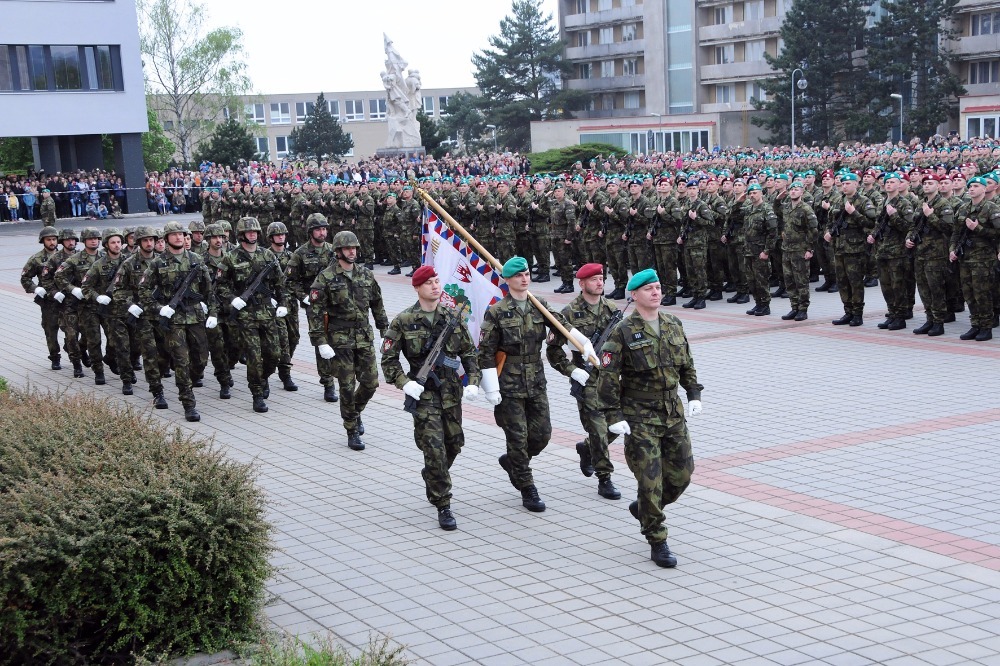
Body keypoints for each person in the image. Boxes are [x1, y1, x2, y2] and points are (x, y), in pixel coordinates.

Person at [596, 268, 703, 569]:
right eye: (648, 289)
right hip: (640, 417)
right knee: (650, 480)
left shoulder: (673, 323)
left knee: (682, 475)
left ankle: (645, 508)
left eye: (657, 287)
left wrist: (693, 394)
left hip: (673, 414)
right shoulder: (623, 331)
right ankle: (657, 538)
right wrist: (613, 415)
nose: (656, 292)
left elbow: (687, 363)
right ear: (634, 295)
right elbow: (607, 377)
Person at [478, 256, 595, 513]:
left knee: (542, 435)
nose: (524, 278)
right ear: (508, 280)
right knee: (517, 437)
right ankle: (527, 486)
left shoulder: (538, 305)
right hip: (508, 382)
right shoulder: (497, 311)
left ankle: (514, 462)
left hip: (536, 380)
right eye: (519, 275)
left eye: (527, 273)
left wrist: (583, 343)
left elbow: (561, 326)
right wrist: (490, 386)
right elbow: (485, 351)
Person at [380, 266, 482, 531]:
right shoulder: (403, 320)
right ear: (417, 287)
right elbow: (389, 361)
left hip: (451, 394)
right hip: (423, 394)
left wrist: (473, 381)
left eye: (437, 282)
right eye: (429, 283)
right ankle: (443, 503)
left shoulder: (452, 317)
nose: (435, 287)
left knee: (454, 444)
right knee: (434, 450)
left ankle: (432, 475)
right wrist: (405, 384)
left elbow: (470, 353)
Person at [545, 263, 622, 500]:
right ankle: (605, 478)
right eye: (594, 279)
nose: (600, 283)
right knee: (598, 429)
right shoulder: (568, 314)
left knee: (618, 425)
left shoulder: (612, 309)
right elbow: (553, 351)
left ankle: (587, 448)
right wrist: (571, 370)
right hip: (587, 379)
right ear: (582, 284)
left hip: (610, 379)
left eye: (601, 278)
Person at [307, 230, 389, 451]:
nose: (352, 251)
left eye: (354, 248)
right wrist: (320, 341)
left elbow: (377, 304)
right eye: (347, 248)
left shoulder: (365, 275)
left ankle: (355, 411)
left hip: (363, 337)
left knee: (371, 382)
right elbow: (315, 312)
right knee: (346, 385)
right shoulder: (326, 277)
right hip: (339, 340)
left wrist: (385, 331)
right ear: (338, 251)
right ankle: (351, 429)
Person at [139, 221, 216, 422]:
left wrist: (213, 313)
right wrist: (158, 308)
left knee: (200, 359)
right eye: (174, 235)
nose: (179, 237)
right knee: (181, 360)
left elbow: (209, 290)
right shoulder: (158, 263)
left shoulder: (197, 259)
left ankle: (187, 382)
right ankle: (188, 403)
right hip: (173, 320)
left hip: (195, 316)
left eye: (181, 234)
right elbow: (144, 291)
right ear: (166, 239)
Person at [216, 217, 288, 412]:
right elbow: (219, 285)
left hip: (267, 313)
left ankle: (263, 378)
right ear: (241, 235)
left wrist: (282, 303)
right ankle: (256, 393)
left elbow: (280, 284)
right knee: (254, 357)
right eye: (248, 232)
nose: (252, 234)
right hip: (245, 315)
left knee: (274, 354)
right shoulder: (230, 257)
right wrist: (232, 298)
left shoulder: (267, 256)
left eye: (255, 231)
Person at [285, 213, 338, 402]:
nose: (322, 232)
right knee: (322, 341)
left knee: (338, 341)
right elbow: (290, 281)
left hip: (335, 304)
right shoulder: (299, 254)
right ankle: (328, 383)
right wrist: (304, 297)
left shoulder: (333, 251)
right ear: (310, 232)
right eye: (318, 229)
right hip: (314, 306)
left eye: (324, 229)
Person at [824, 173, 877, 326]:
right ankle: (848, 311)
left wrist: (854, 213)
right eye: (843, 183)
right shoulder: (837, 200)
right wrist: (828, 233)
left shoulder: (863, 201)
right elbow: (830, 220)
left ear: (856, 184)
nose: (845, 186)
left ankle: (858, 314)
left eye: (848, 183)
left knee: (855, 282)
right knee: (842, 282)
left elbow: (871, 223)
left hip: (855, 249)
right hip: (839, 248)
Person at [906, 175, 954, 336]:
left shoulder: (943, 204)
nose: (926, 186)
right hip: (920, 253)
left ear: (938, 186)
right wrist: (908, 238)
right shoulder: (922, 204)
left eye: (930, 183)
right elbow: (913, 225)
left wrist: (931, 215)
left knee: (936, 289)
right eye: (925, 183)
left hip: (936, 254)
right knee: (924, 288)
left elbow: (948, 228)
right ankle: (929, 319)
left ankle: (939, 322)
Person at [53, 227, 103, 379]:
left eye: (96, 238)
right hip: (73, 304)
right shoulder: (71, 259)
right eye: (90, 238)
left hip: (96, 303)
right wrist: (70, 289)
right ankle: (77, 364)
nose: (94, 240)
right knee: (72, 335)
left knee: (90, 336)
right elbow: (57, 276)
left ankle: (82, 350)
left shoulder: (104, 257)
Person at [21, 226, 62, 369]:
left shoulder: (67, 256)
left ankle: (74, 350)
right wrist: (35, 288)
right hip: (48, 301)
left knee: (74, 328)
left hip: (66, 299)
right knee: (51, 329)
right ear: (43, 241)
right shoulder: (36, 259)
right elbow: (25, 278)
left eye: (54, 239)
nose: (52, 242)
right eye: (48, 239)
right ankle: (55, 356)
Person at [779, 180, 818, 321]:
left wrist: (810, 249)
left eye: (797, 189)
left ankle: (803, 309)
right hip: (787, 249)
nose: (793, 191)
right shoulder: (787, 207)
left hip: (800, 250)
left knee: (801, 281)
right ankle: (794, 307)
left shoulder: (806, 209)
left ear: (802, 192)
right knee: (789, 280)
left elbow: (813, 230)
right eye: (791, 189)